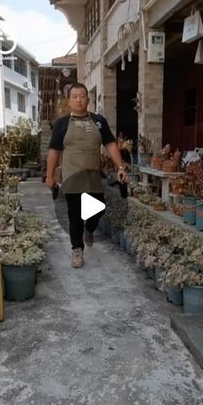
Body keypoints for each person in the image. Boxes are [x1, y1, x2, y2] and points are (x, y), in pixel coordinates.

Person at [46, 83, 128, 268]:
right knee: (74, 214)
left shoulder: (99, 121)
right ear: (69, 101)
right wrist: (49, 176)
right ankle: (77, 250)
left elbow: (110, 145)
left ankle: (89, 228)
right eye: (74, 96)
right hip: (71, 176)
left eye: (82, 96)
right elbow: (53, 151)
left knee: (99, 207)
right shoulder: (62, 124)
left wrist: (121, 166)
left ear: (88, 99)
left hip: (92, 176)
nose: (79, 99)